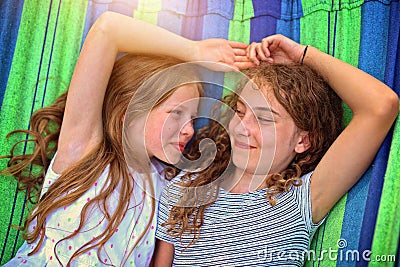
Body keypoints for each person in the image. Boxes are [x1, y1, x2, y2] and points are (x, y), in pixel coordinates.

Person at [0, 12, 249, 266]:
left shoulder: (165, 186)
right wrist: (193, 50)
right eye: (177, 113)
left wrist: (292, 58)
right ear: (129, 112)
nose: (190, 130)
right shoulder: (85, 151)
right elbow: (108, 29)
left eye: (194, 119)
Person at [153, 34, 399, 266]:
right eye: (239, 111)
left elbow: (380, 105)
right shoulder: (184, 189)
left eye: (264, 118)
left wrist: (302, 55)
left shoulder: (302, 199)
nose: (241, 128)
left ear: (303, 141)